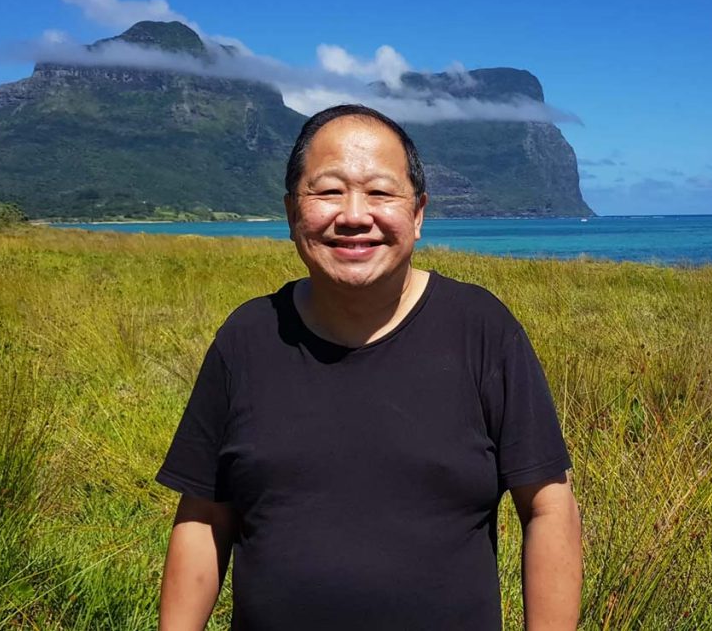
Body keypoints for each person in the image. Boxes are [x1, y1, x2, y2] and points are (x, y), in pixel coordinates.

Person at [156, 104, 582, 630]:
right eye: (328, 191)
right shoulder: (247, 338)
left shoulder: (482, 330)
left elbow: (547, 507)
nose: (355, 215)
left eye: (380, 192)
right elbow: (203, 518)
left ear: (419, 213)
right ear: (293, 212)